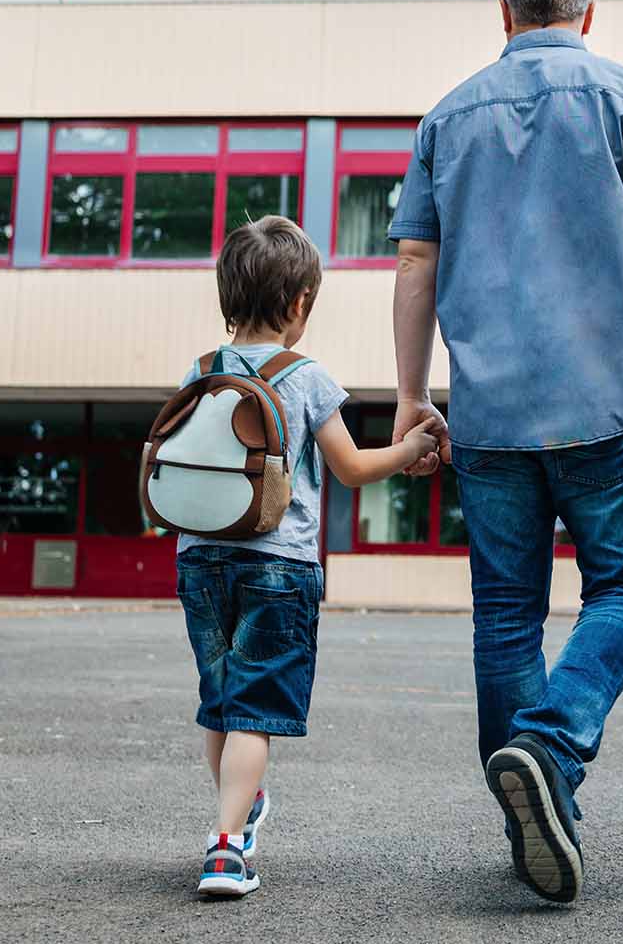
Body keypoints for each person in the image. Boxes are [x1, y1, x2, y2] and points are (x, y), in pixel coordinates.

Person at [386, 0, 623, 905]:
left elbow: (412, 263)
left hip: (488, 416)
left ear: (504, 13)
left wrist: (411, 395)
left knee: (506, 615)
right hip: (607, 404)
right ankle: (550, 743)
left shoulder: (447, 115)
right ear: (588, 12)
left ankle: (533, 798)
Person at [175, 215, 438, 898]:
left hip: (199, 557)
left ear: (227, 295)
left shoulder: (202, 370)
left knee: (222, 702)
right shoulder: (306, 375)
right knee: (257, 706)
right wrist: (410, 452)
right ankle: (227, 847)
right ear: (299, 305)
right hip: (277, 564)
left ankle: (239, 806)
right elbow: (350, 468)